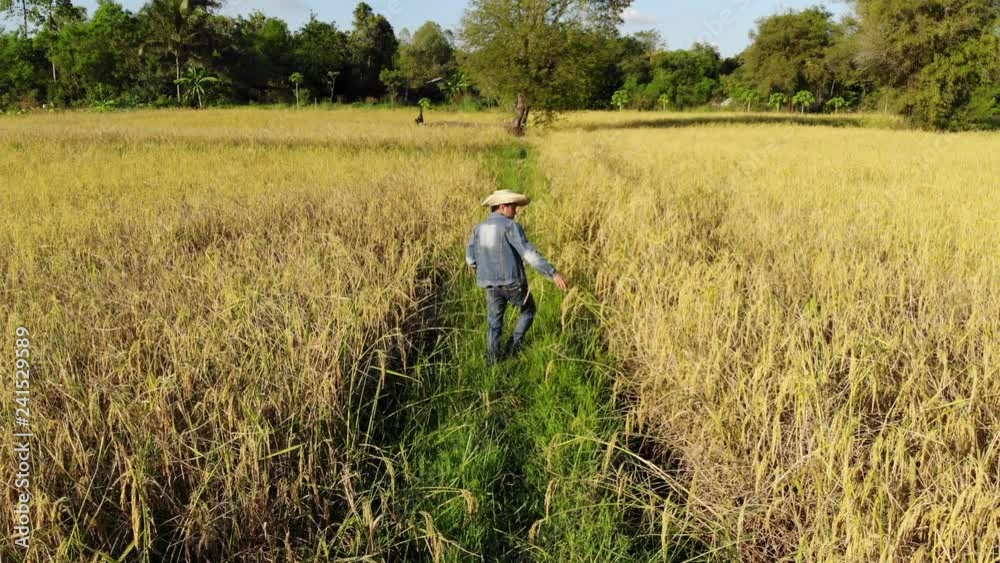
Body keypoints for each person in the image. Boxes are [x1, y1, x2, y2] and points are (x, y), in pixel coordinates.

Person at [465, 189, 569, 365]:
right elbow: (529, 255)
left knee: (494, 322)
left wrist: (484, 268)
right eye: (513, 207)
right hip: (512, 282)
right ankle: (512, 347)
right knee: (528, 310)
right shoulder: (510, 226)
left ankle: (493, 361)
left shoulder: (478, 228)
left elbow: (470, 259)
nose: (516, 211)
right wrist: (553, 273)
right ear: (502, 207)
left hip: (489, 283)